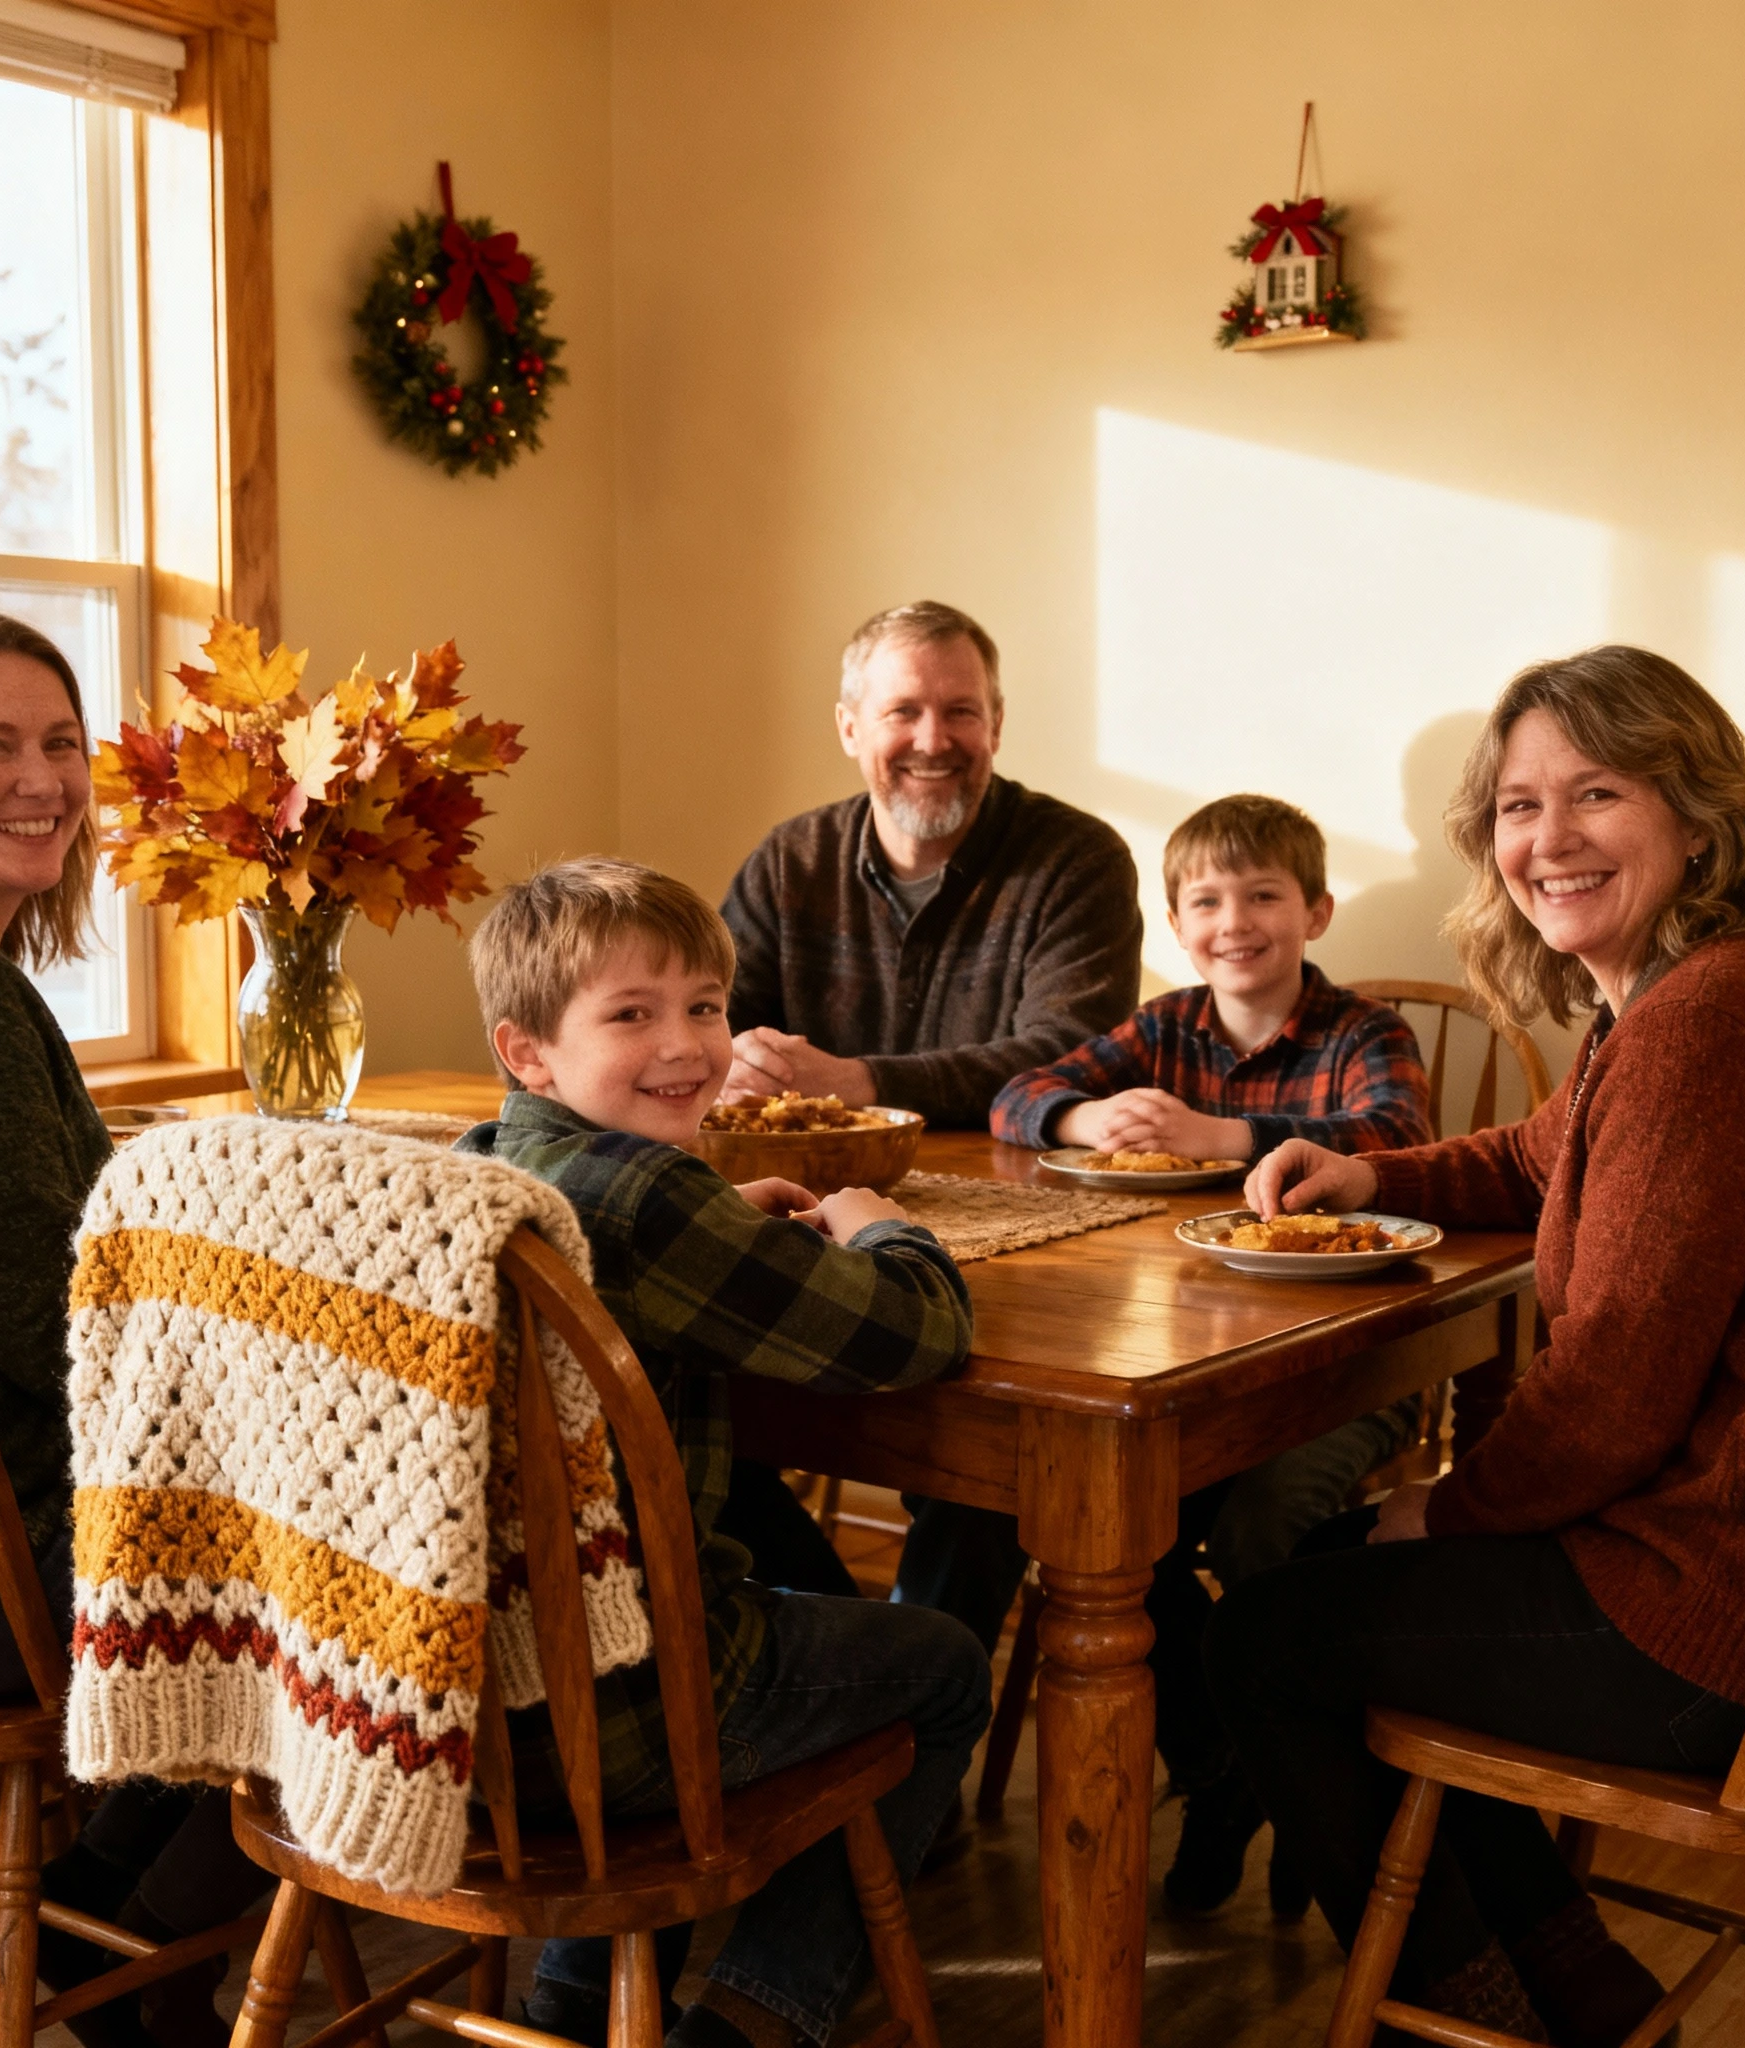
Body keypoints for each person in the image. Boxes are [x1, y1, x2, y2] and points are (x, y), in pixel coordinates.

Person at [1206, 645, 1745, 2048]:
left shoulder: (1709, 1023)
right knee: (1329, 1597)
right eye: (1520, 807)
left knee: (1266, 1636)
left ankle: (1478, 2009)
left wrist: (1442, 1511)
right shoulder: (1686, 997)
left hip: (1727, 1625)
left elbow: (1607, 1402)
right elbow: (1552, 1154)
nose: (1549, 838)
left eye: (1597, 793)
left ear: (1697, 816)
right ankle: (1582, 1992)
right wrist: (1381, 1176)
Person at [460, 857, 992, 2048]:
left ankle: (572, 1998)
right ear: (529, 1048)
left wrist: (713, 1216)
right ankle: (759, 2015)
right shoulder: (645, 1198)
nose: (686, 1043)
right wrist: (877, 1221)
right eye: (632, 1013)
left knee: (751, 1575)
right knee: (948, 1663)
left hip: (467, 1695)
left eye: (704, 1004)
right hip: (626, 1711)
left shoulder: (486, 1160)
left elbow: (647, 1248)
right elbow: (918, 1328)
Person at [0, 614, 267, 2048]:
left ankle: (102, 1898)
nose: (43, 780)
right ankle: (149, 1955)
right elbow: (57, 1338)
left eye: (58, 744)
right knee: (414, 1547)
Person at [983, 794, 1433, 1914]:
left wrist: (1222, 1138)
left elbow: (1400, 1140)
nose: (1235, 920)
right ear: (1179, 926)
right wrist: (1084, 1122)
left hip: (1346, 1372)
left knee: (1255, 1529)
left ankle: (1301, 1766)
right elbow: (1017, 1094)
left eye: (1263, 895)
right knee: (1093, 1532)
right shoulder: (1164, 1025)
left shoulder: (1361, 1031)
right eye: (1206, 901)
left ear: (1314, 909)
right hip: (1195, 1363)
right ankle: (1226, 1762)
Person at [715, 599, 1144, 1602]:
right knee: (686, 1393)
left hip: (1028, 1246)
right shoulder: (790, 859)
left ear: (994, 722)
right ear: (850, 727)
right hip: (808, 1222)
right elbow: (716, 1019)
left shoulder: (1074, 858)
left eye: (961, 711)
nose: (932, 740)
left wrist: (855, 1082)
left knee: (987, 1450)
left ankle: (927, 1674)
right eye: (903, 709)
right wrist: (736, 1053)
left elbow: (1067, 1049)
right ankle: (843, 1644)